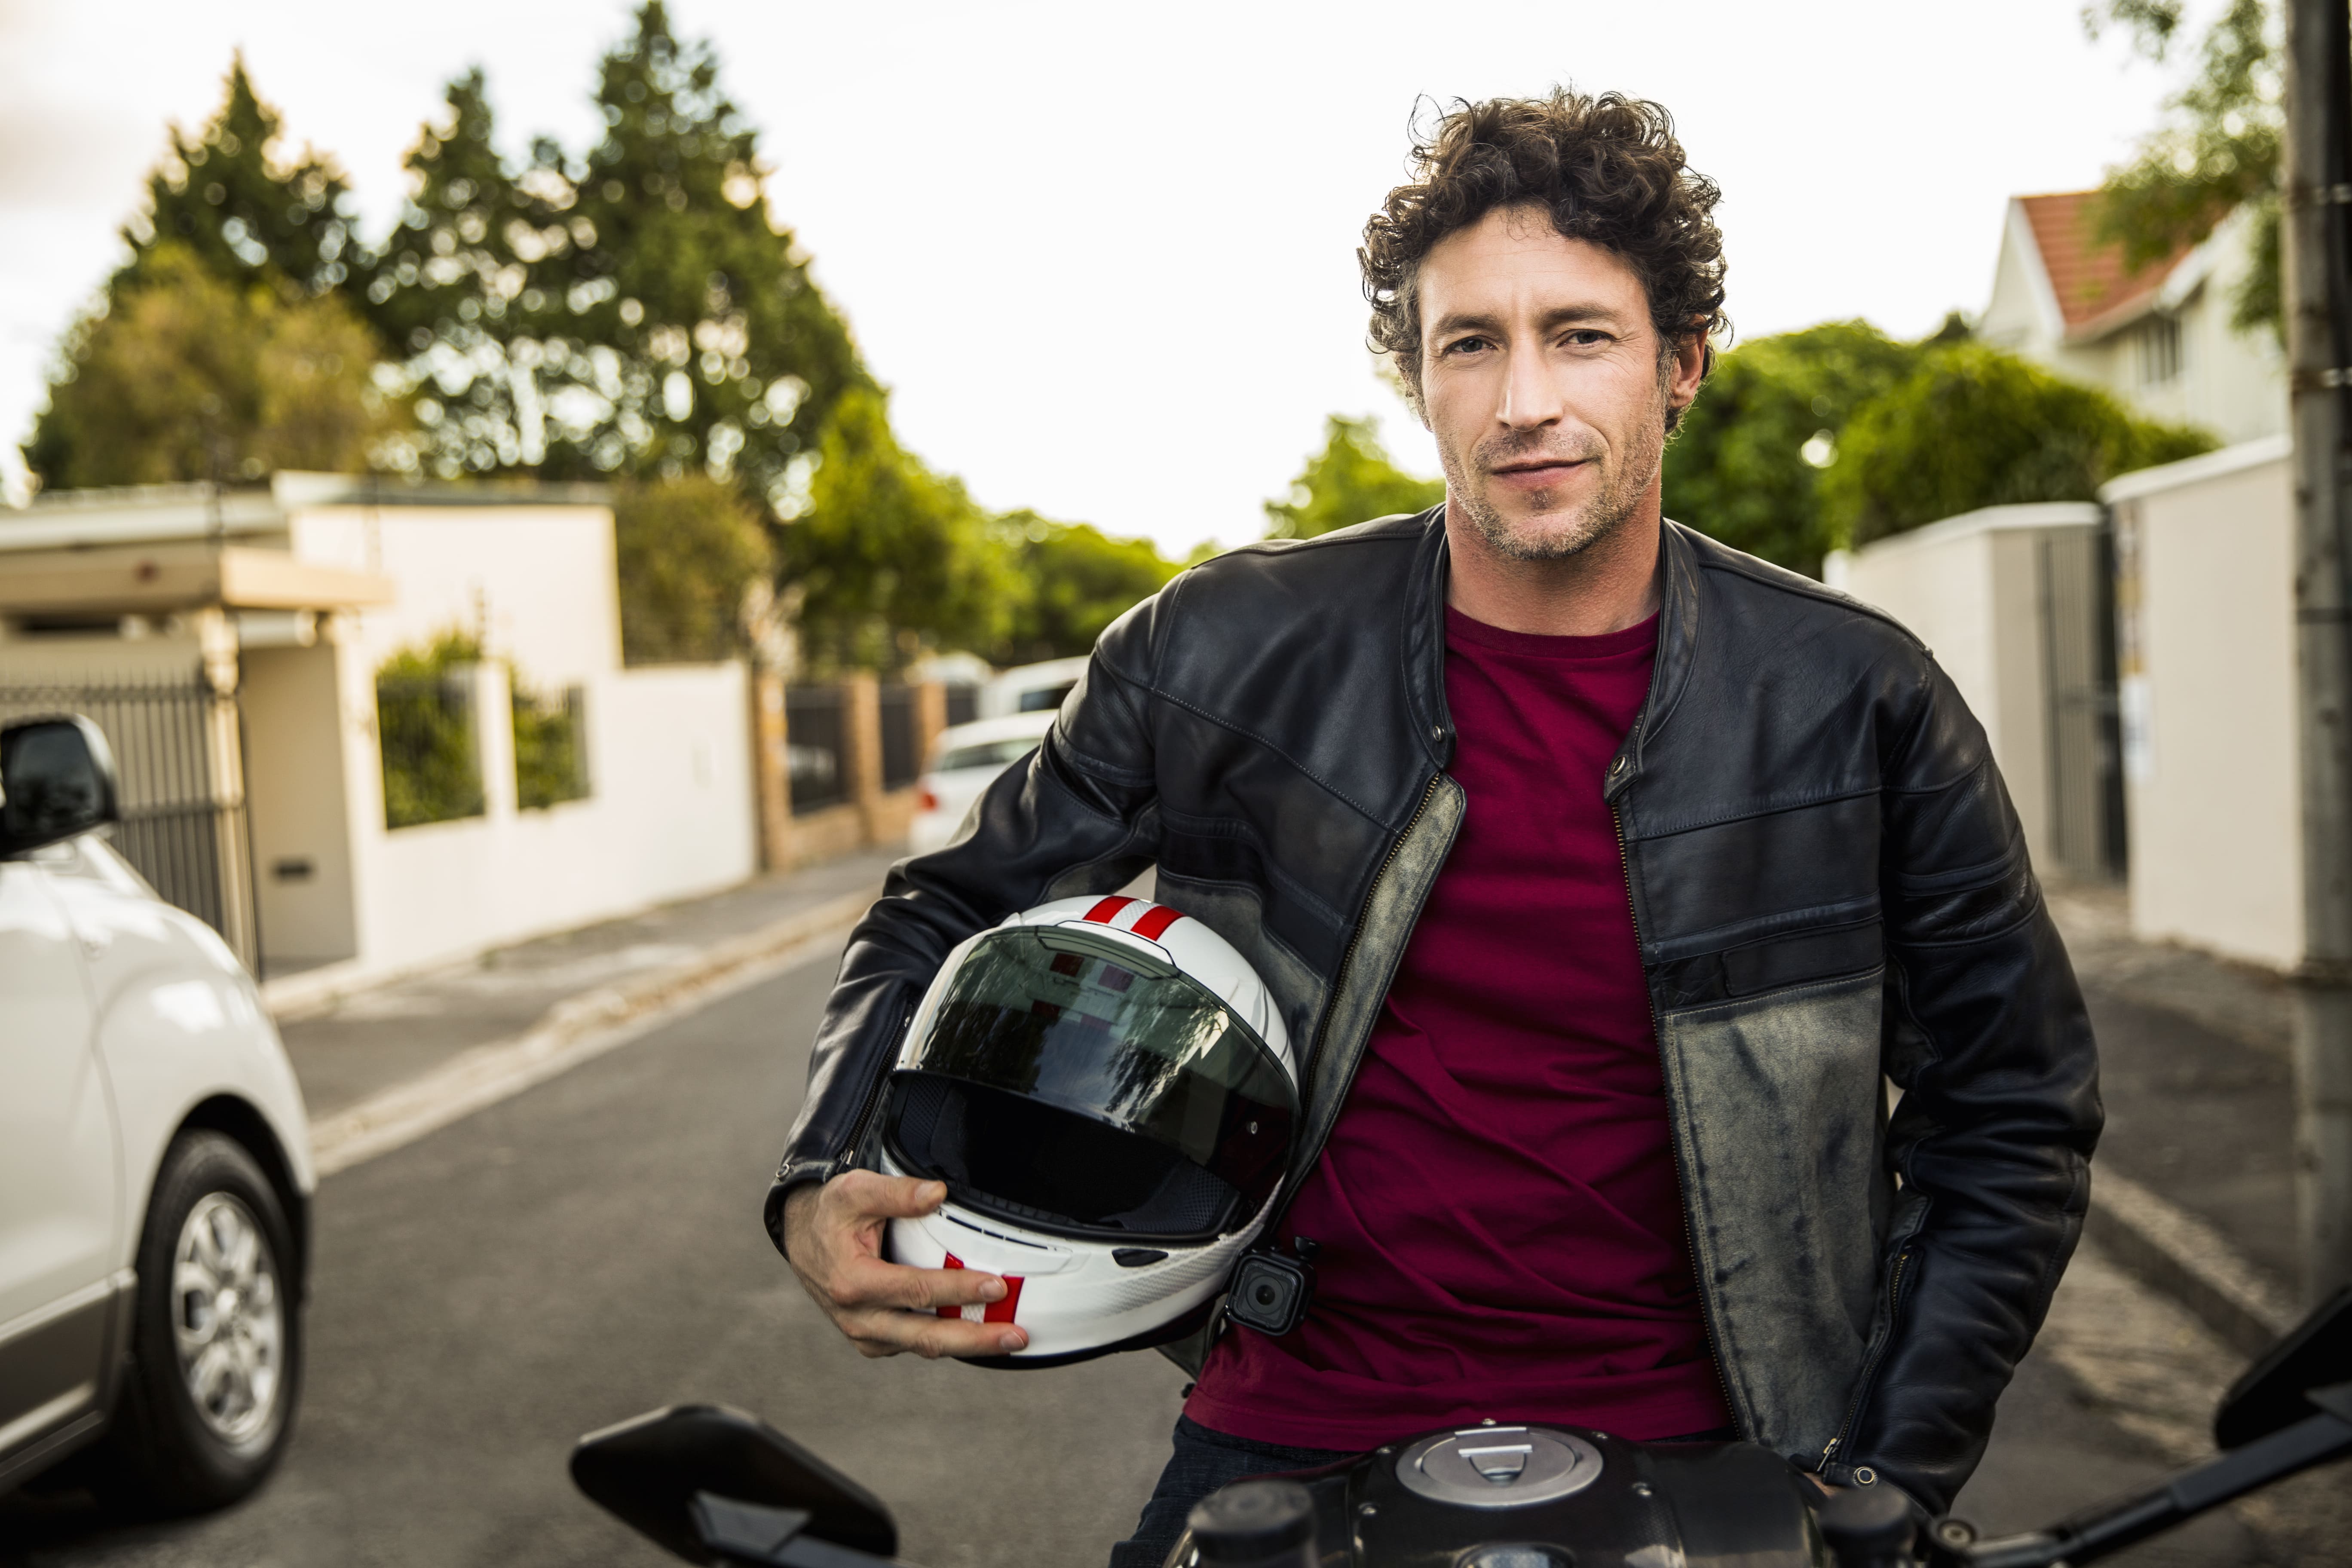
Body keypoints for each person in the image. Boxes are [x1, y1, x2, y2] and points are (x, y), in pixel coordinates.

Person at [764, 89, 2101, 1567]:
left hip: (1731, 1445)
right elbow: (944, 910)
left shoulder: (1860, 701)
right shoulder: (1219, 647)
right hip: (1291, 1419)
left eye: (1580, 333)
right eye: (1472, 341)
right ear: (1420, 379)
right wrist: (823, 1174)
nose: (1525, 397)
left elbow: (2013, 1114)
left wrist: (1890, 1486)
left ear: (1683, 366)